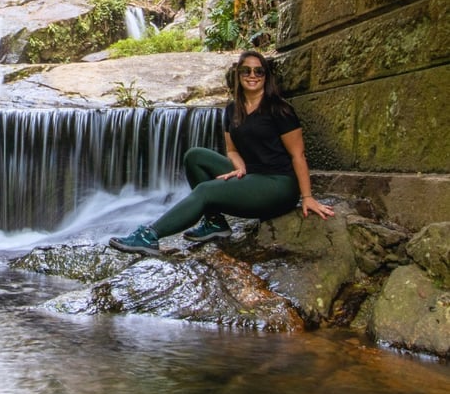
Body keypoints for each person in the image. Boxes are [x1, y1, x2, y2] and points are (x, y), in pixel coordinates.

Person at [109, 50, 334, 256]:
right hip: (252, 174)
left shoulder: (280, 109)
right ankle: (215, 223)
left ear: (266, 76)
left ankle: (149, 235)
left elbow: (298, 155)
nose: (252, 75)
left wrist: (307, 197)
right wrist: (240, 167)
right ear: (238, 75)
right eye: (246, 70)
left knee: (206, 191)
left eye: (258, 71)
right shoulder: (232, 110)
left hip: (279, 184)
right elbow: (232, 150)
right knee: (195, 157)